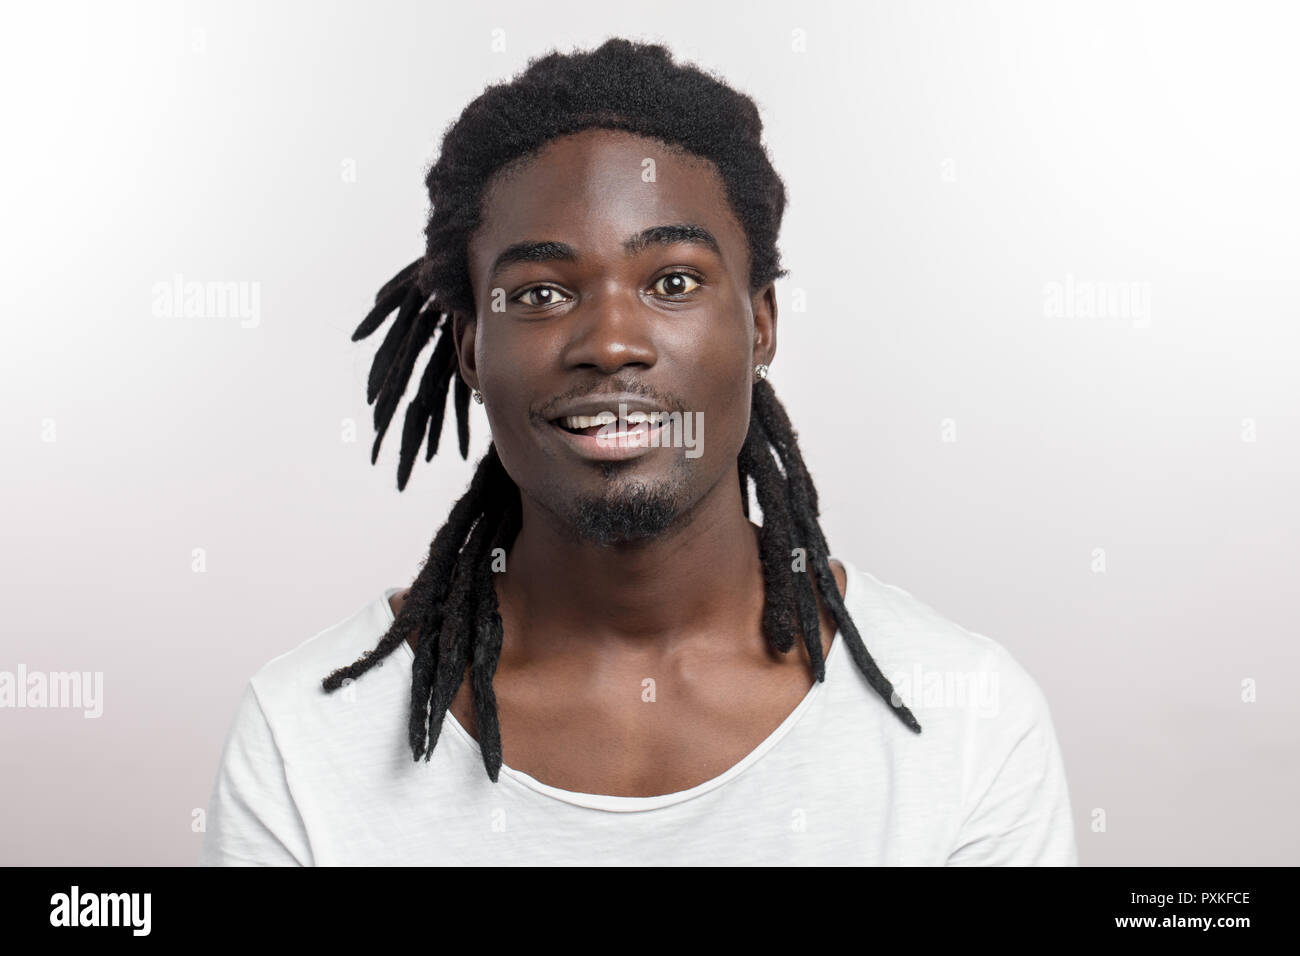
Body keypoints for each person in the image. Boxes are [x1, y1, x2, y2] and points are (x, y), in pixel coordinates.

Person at [199, 38, 1077, 866]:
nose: (611, 341)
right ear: (471, 349)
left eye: (674, 282)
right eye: (539, 292)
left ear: (761, 322)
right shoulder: (307, 740)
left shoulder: (968, 723)